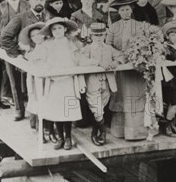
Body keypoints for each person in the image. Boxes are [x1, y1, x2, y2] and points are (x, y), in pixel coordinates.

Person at [0, 0, 49, 120]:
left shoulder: (48, 16)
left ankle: (43, 117)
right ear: (30, 1)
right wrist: (18, 54)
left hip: (43, 58)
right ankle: (20, 111)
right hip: (25, 57)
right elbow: (4, 37)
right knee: (20, 85)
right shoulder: (21, 17)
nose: (39, 2)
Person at [34, 18, 83, 150]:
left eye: (59, 28)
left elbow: (78, 59)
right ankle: (60, 137)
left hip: (67, 80)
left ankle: (68, 136)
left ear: (65, 29)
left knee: (67, 111)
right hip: (54, 81)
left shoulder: (72, 43)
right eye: (54, 29)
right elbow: (41, 60)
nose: (57, 31)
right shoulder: (48, 45)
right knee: (56, 110)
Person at [106, 0, 151, 140]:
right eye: (122, 10)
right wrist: (118, 57)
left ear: (132, 10)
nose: (125, 12)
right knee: (121, 97)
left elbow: (147, 43)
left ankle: (137, 132)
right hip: (121, 68)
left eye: (127, 9)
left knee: (137, 97)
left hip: (136, 68)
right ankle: (120, 131)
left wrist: (139, 55)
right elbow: (108, 46)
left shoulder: (140, 25)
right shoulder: (114, 27)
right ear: (118, 12)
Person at [79, 23, 123, 146]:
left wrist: (116, 62)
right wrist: (97, 62)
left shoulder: (109, 48)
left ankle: (94, 132)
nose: (98, 37)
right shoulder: (87, 48)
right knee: (97, 109)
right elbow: (81, 61)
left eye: (101, 35)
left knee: (101, 108)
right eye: (96, 35)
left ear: (105, 35)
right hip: (93, 82)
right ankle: (103, 133)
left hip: (107, 83)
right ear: (91, 35)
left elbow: (121, 55)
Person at [17, 22, 46, 132]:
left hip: (45, 78)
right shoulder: (31, 51)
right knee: (34, 99)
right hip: (34, 80)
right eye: (33, 36)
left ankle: (44, 127)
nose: (36, 37)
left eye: (38, 34)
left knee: (43, 100)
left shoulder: (47, 48)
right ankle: (36, 126)